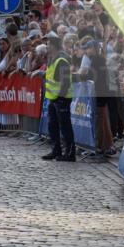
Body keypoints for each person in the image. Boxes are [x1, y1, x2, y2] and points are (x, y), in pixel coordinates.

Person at [42, 34, 76, 162]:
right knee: (53, 126)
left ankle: (70, 153)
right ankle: (56, 150)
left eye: (49, 44)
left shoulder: (61, 60)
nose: (47, 46)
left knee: (65, 127)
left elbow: (65, 82)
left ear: (54, 45)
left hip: (61, 98)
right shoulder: (53, 58)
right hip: (53, 98)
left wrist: (60, 98)